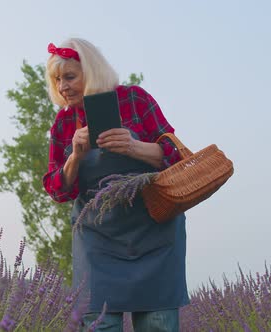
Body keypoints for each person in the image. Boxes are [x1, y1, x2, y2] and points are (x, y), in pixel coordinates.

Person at [42, 38, 189, 332]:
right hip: (97, 241)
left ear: (92, 72)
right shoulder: (63, 123)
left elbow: (176, 156)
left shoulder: (135, 99)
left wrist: (135, 147)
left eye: (70, 77)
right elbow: (57, 190)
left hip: (154, 234)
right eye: (57, 80)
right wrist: (74, 159)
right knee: (99, 325)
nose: (63, 87)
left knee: (157, 324)